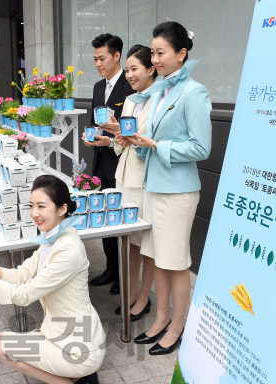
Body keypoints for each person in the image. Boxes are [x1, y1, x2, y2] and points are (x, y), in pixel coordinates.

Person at [0, 175, 105, 384]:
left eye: (41, 206)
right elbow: (20, 275)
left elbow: (22, 295)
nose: (34, 213)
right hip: (63, 334)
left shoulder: (68, 250)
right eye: (31, 206)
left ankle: (73, 380)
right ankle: (77, 375)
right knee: (2, 344)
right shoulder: (54, 237)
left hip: (78, 348)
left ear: (62, 209)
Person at [124, 21, 212, 354]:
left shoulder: (194, 92)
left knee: (176, 262)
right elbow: (155, 140)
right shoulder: (162, 90)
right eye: (154, 51)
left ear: (182, 53)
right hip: (154, 187)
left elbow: (201, 148)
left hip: (177, 192)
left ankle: (178, 326)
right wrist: (139, 143)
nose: (155, 58)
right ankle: (160, 319)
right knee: (158, 258)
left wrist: (158, 146)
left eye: (161, 52)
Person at [86, 44, 158, 320]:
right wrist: (112, 138)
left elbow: (149, 143)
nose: (129, 74)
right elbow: (122, 145)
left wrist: (124, 136)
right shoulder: (132, 101)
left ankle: (142, 297)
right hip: (123, 175)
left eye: (134, 69)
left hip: (144, 179)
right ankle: (129, 292)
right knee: (128, 240)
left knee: (143, 243)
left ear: (151, 69)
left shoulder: (157, 101)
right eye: (128, 70)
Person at [86, 33, 135, 295]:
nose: (98, 63)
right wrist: (90, 136)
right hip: (100, 162)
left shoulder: (132, 85)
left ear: (117, 56)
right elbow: (95, 121)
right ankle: (111, 269)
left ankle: (124, 275)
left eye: (102, 58)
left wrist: (109, 138)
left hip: (123, 162)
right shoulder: (97, 87)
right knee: (106, 218)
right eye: (95, 59)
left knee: (122, 222)